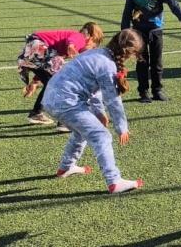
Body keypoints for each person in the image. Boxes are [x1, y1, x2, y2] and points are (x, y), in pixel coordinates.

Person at [42, 29, 144, 194]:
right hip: (66, 102)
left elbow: (94, 89)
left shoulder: (98, 53)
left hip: (52, 99)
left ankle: (66, 167)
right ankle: (114, 181)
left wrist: (99, 113)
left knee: (82, 131)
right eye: (134, 55)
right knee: (101, 135)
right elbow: (113, 100)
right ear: (128, 52)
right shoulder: (107, 65)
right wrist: (121, 127)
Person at [120, 0, 181, 103]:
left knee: (157, 62)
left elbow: (174, 4)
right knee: (142, 62)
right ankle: (143, 92)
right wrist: (125, 33)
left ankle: (157, 90)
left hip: (156, 31)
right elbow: (127, 13)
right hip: (138, 32)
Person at [18, 23, 104, 127]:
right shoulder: (80, 37)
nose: (89, 51)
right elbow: (73, 40)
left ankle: (36, 113)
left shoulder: (70, 43)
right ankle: (64, 121)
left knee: (51, 82)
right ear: (91, 37)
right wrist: (71, 46)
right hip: (40, 46)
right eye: (93, 46)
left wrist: (35, 82)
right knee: (64, 83)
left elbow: (45, 66)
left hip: (31, 50)